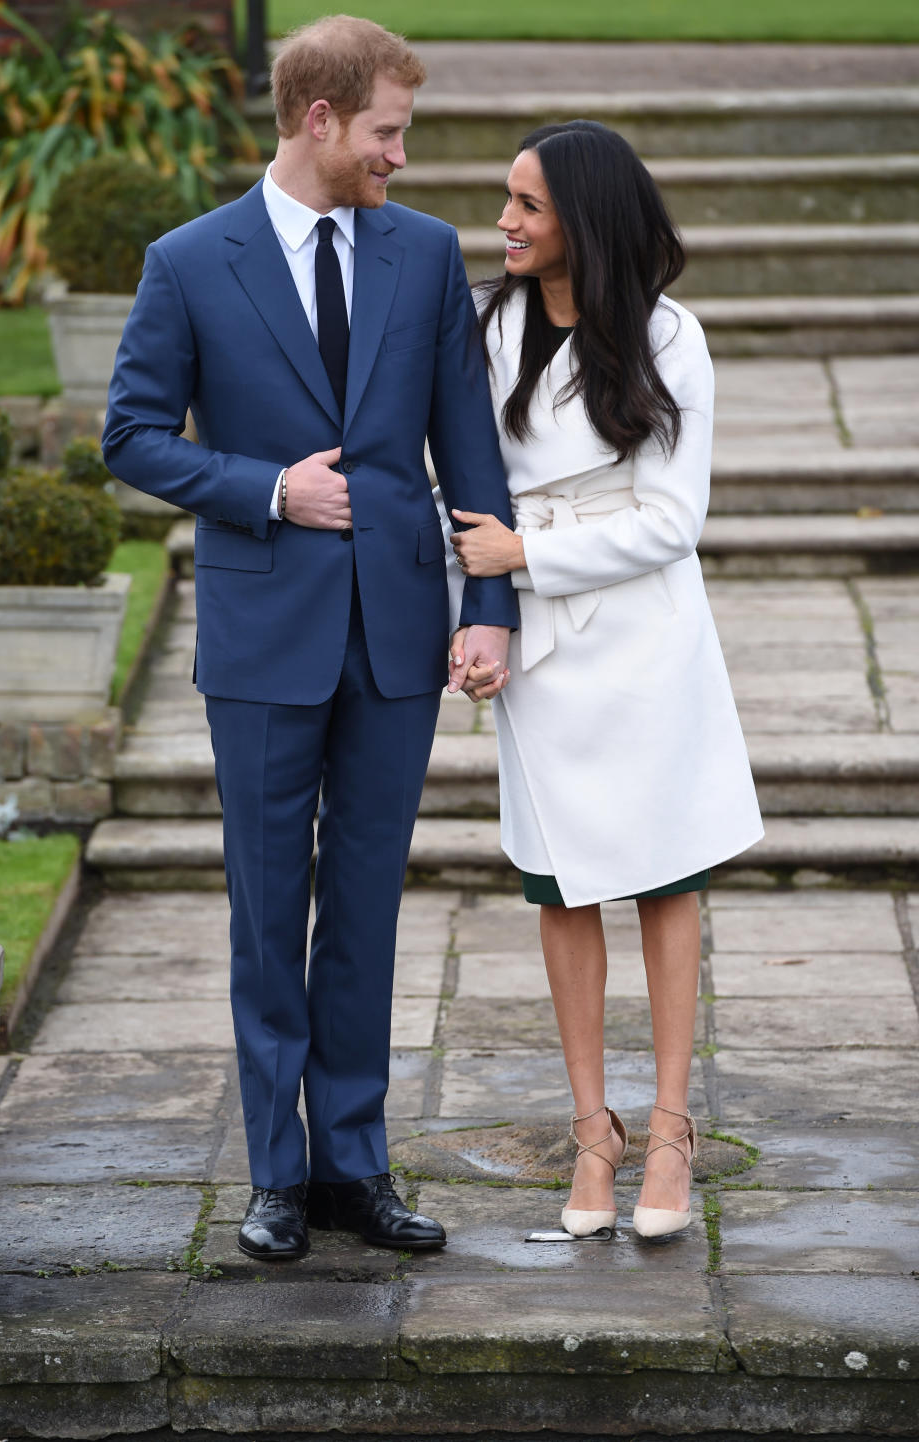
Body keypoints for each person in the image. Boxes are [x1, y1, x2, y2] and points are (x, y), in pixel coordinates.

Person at [102, 15, 517, 1262]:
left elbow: (470, 444)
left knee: (368, 909)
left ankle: (354, 1165)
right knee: (266, 905)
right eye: (388, 131)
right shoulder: (188, 260)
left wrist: (489, 604)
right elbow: (131, 435)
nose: (401, 154)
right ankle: (275, 1173)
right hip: (264, 632)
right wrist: (269, 489)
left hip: (397, 632)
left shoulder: (427, 254)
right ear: (321, 119)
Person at [446, 121, 763, 1239]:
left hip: (646, 640)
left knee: (666, 878)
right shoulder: (486, 326)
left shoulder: (670, 336)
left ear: (587, 215)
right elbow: (464, 490)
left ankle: (671, 1126)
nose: (506, 223)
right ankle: (595, 1128)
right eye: (506, 199)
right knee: (561, 883)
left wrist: (528, 554)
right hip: (540, 653)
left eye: (528, 204)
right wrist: (476, 615)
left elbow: (675, 520)